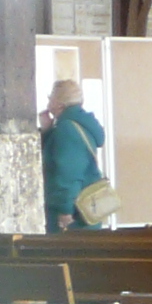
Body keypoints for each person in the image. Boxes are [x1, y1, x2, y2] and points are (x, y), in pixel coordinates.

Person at [40, 80, 107, 229]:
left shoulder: (66, 129)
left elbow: (68, 174)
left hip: (75, 215)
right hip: (87, 210)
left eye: (50, 97)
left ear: (59, 104)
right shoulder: (80, 123)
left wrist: (65, 211)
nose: (48, 101)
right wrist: (47, 131)